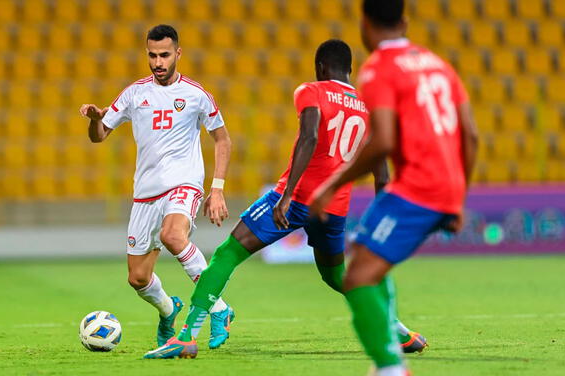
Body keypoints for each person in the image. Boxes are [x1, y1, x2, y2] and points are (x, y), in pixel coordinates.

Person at [144, 39, 427, 360]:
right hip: (334, 208)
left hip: (297, 197)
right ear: (350, 70)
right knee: (336, 275)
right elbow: (383, 177)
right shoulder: (369, 108)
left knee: (227, 254)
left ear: (320, 68)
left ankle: (185, 337)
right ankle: (401, 332)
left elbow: (310, 136)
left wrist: (288, 194)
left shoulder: (312, 91)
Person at [309, 1, 479, 375]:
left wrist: (330, 185)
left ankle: (390, 367)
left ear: (365, 26)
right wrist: (459, 197)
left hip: (419, 186)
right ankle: (391, 354)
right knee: (366, 253)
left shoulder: (379, 71)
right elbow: (471, 134)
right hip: (442, 185)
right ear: (404, 21)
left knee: (356, 277)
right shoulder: (439, 65)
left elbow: (382, 141)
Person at [79, 24, 235, 350]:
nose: (158, 62)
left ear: (178, 53)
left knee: (173, 235)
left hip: (183, 184)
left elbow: (222, 138)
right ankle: (168, 310)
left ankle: (219, 310)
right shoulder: (135, 94)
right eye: (152, 55)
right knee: (137, 278)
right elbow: (99, 136)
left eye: (164, 55)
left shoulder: (195, 94)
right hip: (145, 194)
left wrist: (216, 188)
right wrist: (95, 118)